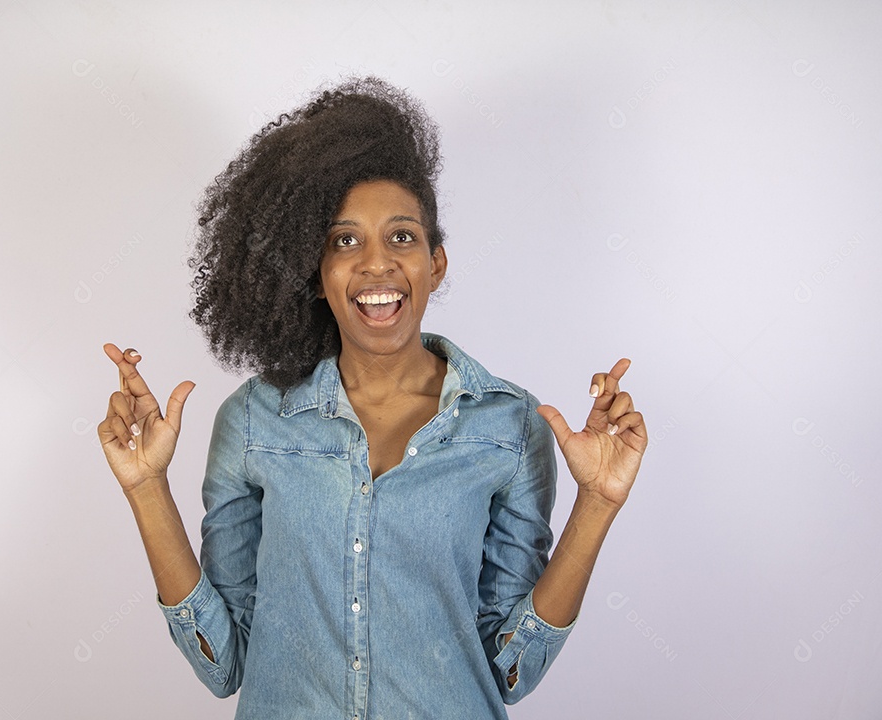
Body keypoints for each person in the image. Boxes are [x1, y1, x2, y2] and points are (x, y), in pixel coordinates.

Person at [98, 77, 647, 720]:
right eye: (345, 240)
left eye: (402, 237)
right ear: (316, 269)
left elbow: (509, 668)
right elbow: (223, 664)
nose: (376, 264)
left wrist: (598, 504)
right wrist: (145, 488)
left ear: (436, 263)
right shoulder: (252, 421)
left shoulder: (509, 426)